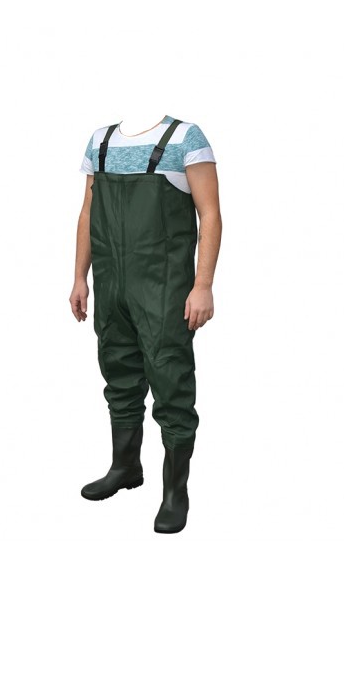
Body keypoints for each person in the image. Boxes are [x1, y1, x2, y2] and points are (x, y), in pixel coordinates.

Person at [69, 115, 222, 533]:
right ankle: (125, 467)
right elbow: (88, 213)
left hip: (163, 287)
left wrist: (203, 285)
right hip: (111, 284)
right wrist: (80, 276)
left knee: (171, 383)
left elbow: (210, 214)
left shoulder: (185, 138)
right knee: (118, 374)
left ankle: (175, 494)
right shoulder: (99, 140)